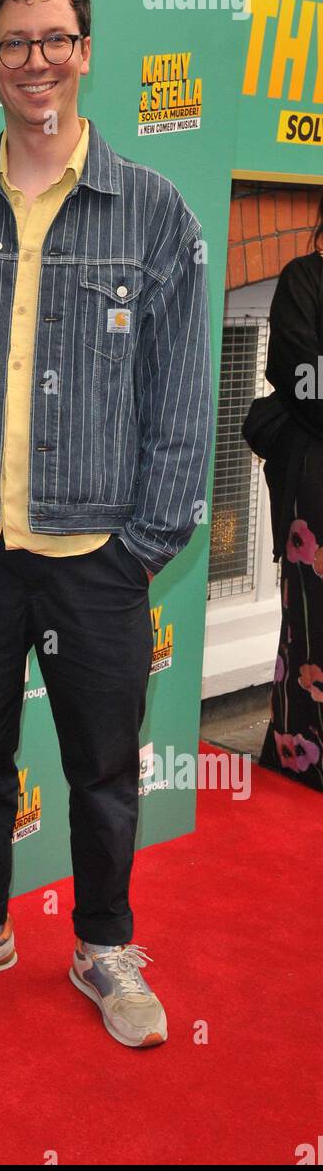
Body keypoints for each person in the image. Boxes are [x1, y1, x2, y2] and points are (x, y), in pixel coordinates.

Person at [0, 0, 214, 1049]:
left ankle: (105, 945)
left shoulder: (155, 213)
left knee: (103, 769)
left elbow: (181, 404)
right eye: (15, 42)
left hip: (98, 560)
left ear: (86, 51)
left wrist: (140, 548)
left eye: (56, 39)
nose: (38, 60)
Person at [257, 195, 323, 791]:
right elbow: (301, 373)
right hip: (317, 485)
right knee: (314, 624)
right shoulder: (305, 279)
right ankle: (304, 751)